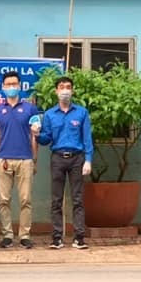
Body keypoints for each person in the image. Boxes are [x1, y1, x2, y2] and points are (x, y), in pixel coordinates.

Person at [35, 75, 94, 250]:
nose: (65, 90)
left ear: (73, 91)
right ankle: (57, 238)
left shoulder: (81, 112)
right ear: (56, 91)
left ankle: (79, 237)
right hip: (58, 158)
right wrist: (37, 134)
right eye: (61, 87)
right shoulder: (49, 114)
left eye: (68, 87)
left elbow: (87, 138)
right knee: (56, 200)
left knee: (78, 199)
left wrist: (88, 160)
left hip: (77, 158)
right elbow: (46, 139)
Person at [0, 70, 40, 249]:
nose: (11, 87)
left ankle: (24, 235)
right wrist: (1, 153)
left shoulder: (30, 109)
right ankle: (7, 235)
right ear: (3, 87)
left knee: (26, 200)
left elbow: (34, 136)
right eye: (8, 84)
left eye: (14, 84)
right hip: (4, 159)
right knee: (3, 200)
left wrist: (34, 159)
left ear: (20, 86)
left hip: (25, 160)